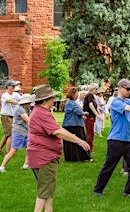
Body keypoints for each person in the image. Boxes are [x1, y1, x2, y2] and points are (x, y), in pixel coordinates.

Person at [27, 84, 90, 212]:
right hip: (44, 158)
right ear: (45, 100)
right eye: (51, 98)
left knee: (48, 190)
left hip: (42, 156)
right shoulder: (41, 113)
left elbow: (56, 129)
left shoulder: (40, 111)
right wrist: (78, 140)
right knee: (44, 193)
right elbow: (58, 132)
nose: (54, 100)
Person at [0, 93, 34, 172]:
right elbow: (28, 120)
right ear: (25, 103)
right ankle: (2, 167)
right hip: (19, 132)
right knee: (13, 151)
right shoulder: (20, 109)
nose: (30, 104)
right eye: (29, 102)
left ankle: (26, 165)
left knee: (29, 148)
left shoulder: (27, 109)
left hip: (25, 132)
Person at [62, 87, 92, 162]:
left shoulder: (71, 103)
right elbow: (78, 111)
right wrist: (85, 113)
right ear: (73, 94)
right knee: (80, 140)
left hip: (73, 124)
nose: (77, 96)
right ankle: (85, 157)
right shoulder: (70, 103)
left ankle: (76, 157)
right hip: (73, 125)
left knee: (73, 142)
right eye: (76, 94)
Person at [0, 80, 20, 155]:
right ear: (7, 86)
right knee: (10, 134)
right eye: (12, 86)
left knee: (7, 134)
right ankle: (9, 152)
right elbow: (10, 101)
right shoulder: (4, 95)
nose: (13, 87)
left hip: (13, 116)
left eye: (14, 86)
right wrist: (18, 102)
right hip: (6, 117)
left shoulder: (16, 94)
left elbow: (22, 99)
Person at [83, 83, 103, 152]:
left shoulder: (92, 96)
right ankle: (88, 148)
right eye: (96, 89)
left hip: (92, 117)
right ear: (93, 89)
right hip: (89, 117)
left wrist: (99, 115)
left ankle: (89, 148)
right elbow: (91, 105)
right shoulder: (89, 95)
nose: (97, 90)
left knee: (91, 133)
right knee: (90, 133)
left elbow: (96, 106)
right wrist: (97, 115)